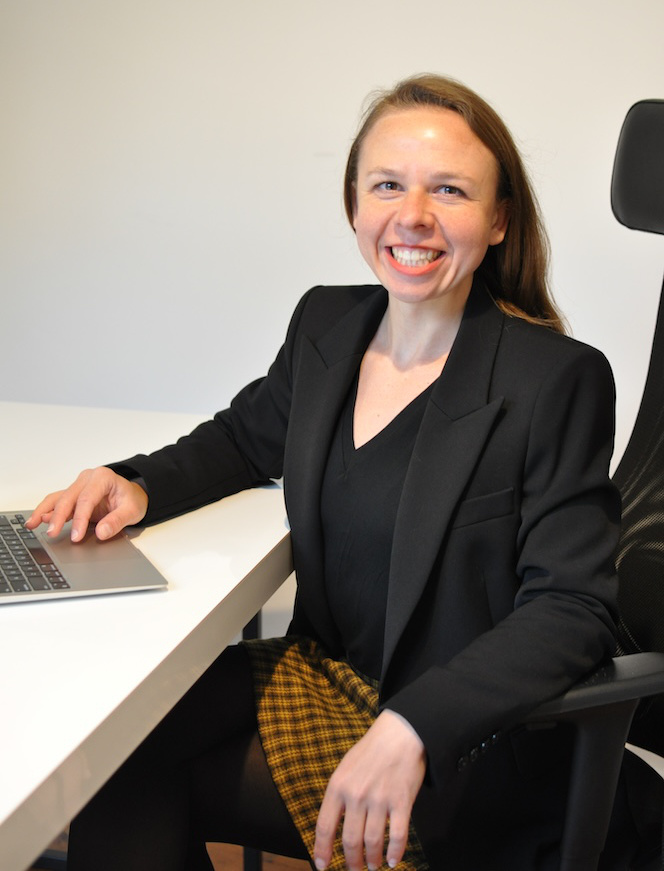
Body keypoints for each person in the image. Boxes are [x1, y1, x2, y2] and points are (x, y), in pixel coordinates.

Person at [27, 74, 629, 870]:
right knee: (105, 749)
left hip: (463, 741)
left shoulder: (555, 379)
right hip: (321, 676)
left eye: (449, 190)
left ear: (497, 220)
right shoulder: (327, 323)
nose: (412, 215)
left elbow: (573, 606)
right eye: (388, 185)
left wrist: (416, 724)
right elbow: (244, 438)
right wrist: (136, 483)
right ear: (354, 204)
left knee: (125, 780)